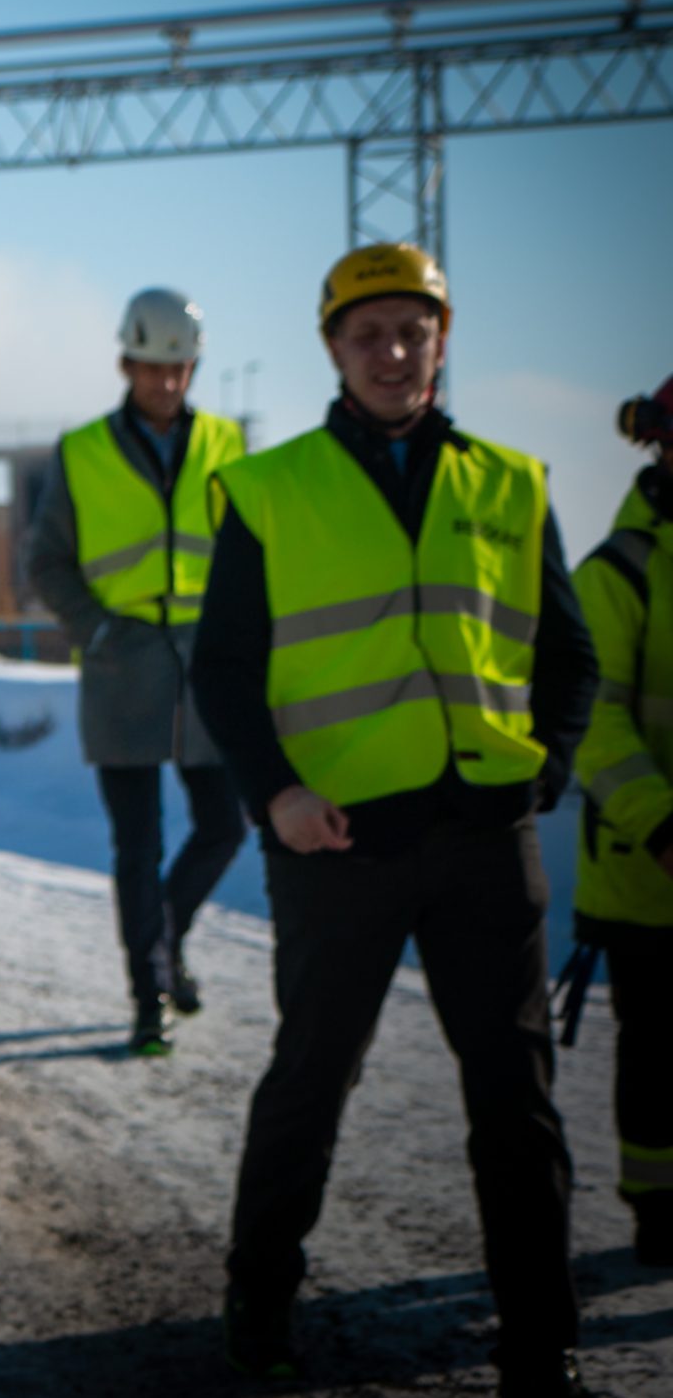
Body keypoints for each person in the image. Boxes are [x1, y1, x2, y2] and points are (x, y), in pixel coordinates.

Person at [191, 245, 597, 1395]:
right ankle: (257, 1306)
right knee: (310, 1079)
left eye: (410, 330)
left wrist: (544, 775)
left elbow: (568, 655)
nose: (390, 351)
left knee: (514, 1098)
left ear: (441, 336)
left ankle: (540, 1340)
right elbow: (223, 670)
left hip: (483, 836)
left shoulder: (512, 483)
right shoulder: (273, 487)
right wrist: (276, 793)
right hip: (338, 841)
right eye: (366, 333)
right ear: (333, 348)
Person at [22, 288, 248, 1055]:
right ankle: (147, 995)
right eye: (156, 367)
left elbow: (251, 553)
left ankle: (167, 938)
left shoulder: (228, 442)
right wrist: (96, 628)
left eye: (182, 367)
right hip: (123, 669)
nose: (170, 382)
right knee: (137, 845)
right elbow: (45, 558)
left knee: (225, 823)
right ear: (127, 364)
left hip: (207, 669)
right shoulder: (81, 450)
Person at [570, 373, 673, 1268]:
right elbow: (590, 721)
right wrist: (663, 823)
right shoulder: (622, 571)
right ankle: (658, 1201)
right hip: (650, 868)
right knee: (658, 1046)